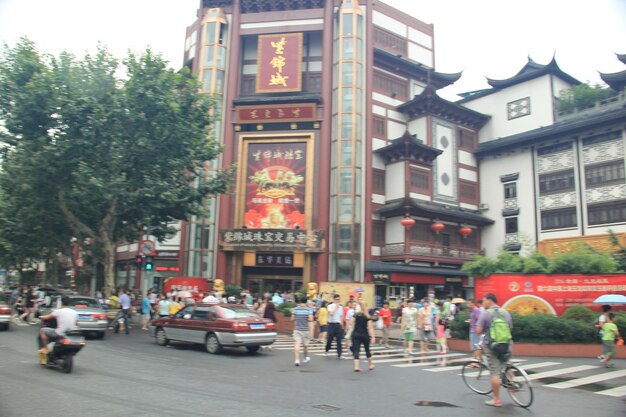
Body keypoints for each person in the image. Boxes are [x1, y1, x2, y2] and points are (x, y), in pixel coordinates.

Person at [476, 293, 513, 408]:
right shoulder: (505, 312)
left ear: (489, 300)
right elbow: (510, 328)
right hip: (507, 343)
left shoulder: (485, 314)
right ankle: (512, 386)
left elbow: (478, 330)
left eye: (484, 301)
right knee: (507, 365)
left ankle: (496, 400)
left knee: (495, 372)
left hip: (493, 346)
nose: (483, 303)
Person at [37, 296, 78, 364]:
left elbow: (47, 317)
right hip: (70, 334)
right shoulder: (74, 312)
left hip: (59, 333)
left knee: (42, 330)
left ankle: (46, 348)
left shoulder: (58, 311)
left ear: (61, 302)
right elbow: (76, 322)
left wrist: (40, 316)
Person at [350, 300, 376, 372]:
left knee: (356, 350)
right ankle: (370, 365)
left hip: (356, 334)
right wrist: (373, 337)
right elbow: (370, 328)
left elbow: (351, 322)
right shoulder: (367, 316)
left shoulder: (356, 314)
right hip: (365, 334)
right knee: (367, 349)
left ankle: (356, 367)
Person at [292, 296, 314, 366]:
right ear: (306, 301)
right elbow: (310, 319)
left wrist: (297, 318)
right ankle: (305, 358)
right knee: (305, 345)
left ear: (300, 301)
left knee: (297, 344)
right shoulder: (309, 309)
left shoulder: (295, 309)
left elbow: (292, 319)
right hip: (306, 330)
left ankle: (297, 360)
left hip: (297, 329)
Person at [325, 294, 344, 358]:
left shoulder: (341, 307)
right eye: (336, 299)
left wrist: (342, 323)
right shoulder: (330, 306)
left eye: (339, 299)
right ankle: (327, 349)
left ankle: (339, 353)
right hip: (331, 324)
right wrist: (336, 307)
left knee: (339, 340)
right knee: (330, 339)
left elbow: (341, 315)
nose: (338, 301)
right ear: (334, 299)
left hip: (338, 324)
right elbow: (331, 313)